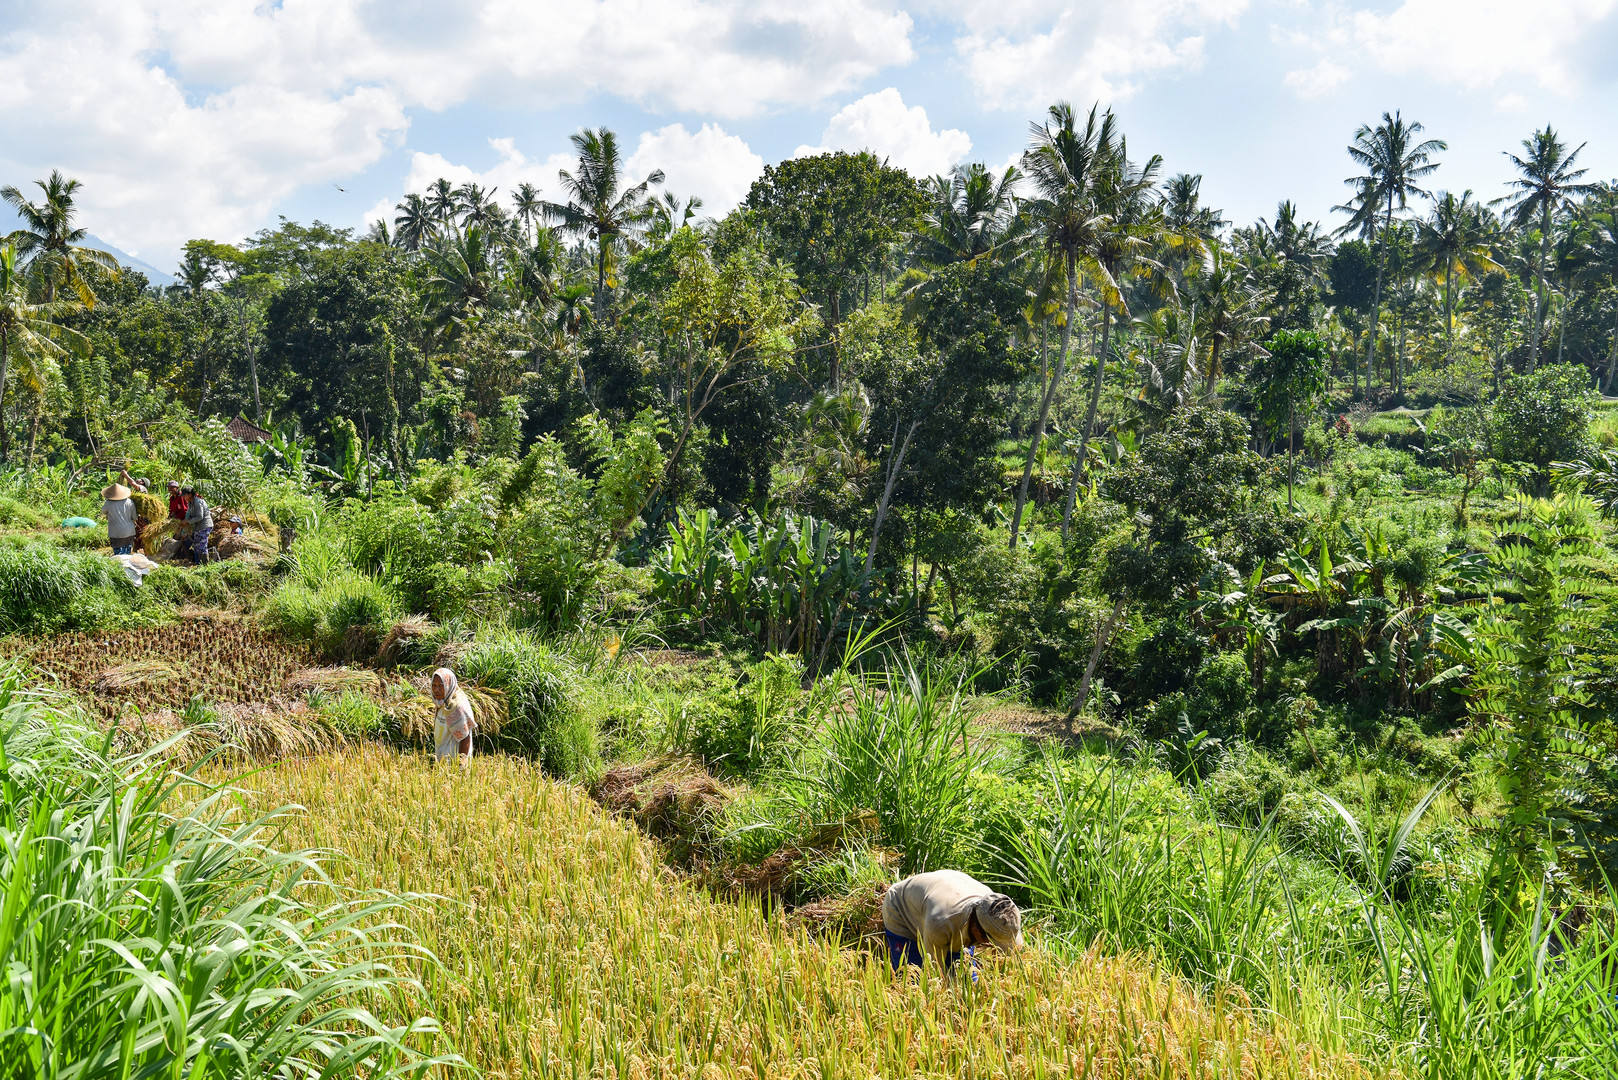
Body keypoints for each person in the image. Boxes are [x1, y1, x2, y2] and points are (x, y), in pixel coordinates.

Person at [881, 870, 1023, 979]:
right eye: (990, 941)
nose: (990, 946)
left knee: (969, 981)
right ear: (976, 929)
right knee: (914, 980)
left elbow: (1014, 960)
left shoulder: (1004, 918)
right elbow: (934, 973)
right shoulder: (941, 923)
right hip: (901, 911)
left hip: (946, 892)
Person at [431, 668, 477, 766]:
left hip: (453, 765)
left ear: (448, 685)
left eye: (441, 686)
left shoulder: (455, 707)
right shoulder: (441, 703)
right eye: (434, 685)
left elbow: (465, 737)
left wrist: (460, 765)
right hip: (442, 763)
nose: (436, 690)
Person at [101, 480, 138, 556]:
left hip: (116, 532)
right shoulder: (129, 502)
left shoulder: (108, 503)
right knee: (127, 554)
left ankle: (120, 567)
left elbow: (103, 512)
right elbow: (134, 517)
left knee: (119, 556)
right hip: (129, 531)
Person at [182, 484, 212, 564]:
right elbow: (190, 515)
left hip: (205, 525)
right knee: (196, 545)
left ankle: (206, 565)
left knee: (202, 546)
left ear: (189, 494)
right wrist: (186, 520)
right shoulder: (190, 503)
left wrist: (188, 522)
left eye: (184, 495)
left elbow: (200, 516)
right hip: (198, 527)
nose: (183, 497)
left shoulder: (197, 502)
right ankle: (198, 564)